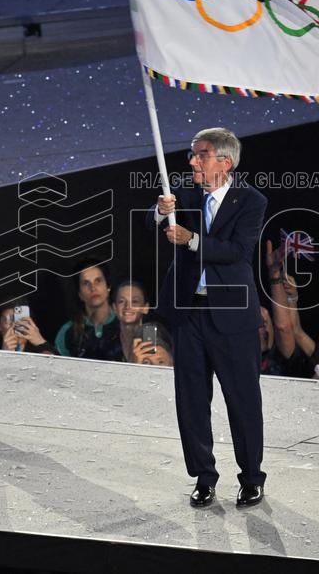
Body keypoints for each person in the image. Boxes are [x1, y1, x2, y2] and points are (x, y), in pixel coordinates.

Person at [150, 127, 268, 508]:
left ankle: (251, 478)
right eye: (192, 153)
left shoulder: (250, 201)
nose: (192, 161)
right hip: (189, 315)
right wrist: (160, 212)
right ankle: (203, 477)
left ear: (225, 161)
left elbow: (237, 251)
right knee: (191, 401)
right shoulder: (183, 196)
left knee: (242, 400)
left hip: (232, 317)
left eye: (201, 154)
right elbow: (152, 223)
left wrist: (192, 239)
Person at [54, 259, 123, 361]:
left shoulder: (126, 323)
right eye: (86, 283)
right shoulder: (67, 332)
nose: (93, 288)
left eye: (98, 281)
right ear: (80, 294)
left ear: (108, 287)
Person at [113, 280, 173, 366]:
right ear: (114, 308)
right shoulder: (108, 344)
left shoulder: (157, 335)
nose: (128, 307)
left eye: (135, 301)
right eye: (121, 301)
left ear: (145, 308)